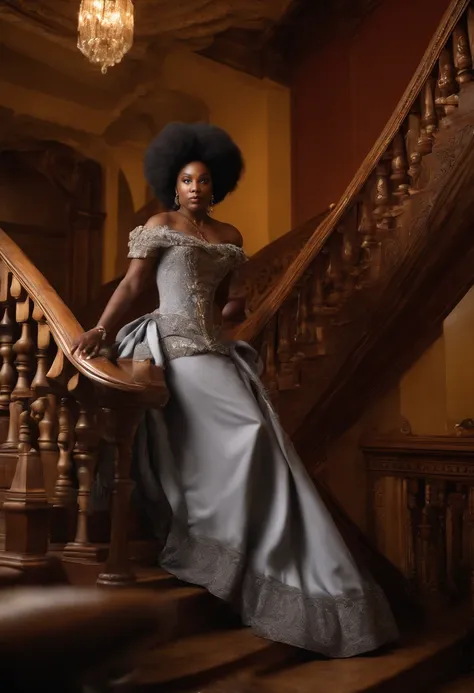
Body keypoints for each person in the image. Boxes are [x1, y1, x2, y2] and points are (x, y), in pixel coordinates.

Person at [73, 122, 399, 658]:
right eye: (186, 180)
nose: (195, 188)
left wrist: (237, 312)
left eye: (203, 180)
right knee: (246, 437)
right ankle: (226, 546)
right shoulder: (159, 224)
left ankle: (282, 566)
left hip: (216, 349)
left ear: (214, 185)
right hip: (174, 348)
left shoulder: (230, 237)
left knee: (262, 443)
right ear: (173, 187)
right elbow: (134, 285)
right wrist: (102, 330)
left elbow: (225, 300)